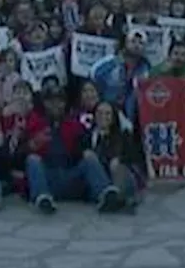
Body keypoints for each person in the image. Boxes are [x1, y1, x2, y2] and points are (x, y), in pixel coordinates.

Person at [23, 86, 121, 214]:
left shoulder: (74, 125)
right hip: (48, 177)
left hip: (69, 174)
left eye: (59, 101)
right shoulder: (35, 124)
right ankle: (42, 199)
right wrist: (33, 144)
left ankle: (105, 194)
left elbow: (85, 146)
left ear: (64, 104)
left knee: (89, 157)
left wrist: (84, 150)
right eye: (51, 101)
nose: (56, 105)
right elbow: (19, 154)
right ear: (45, 103)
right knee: (32, 159)